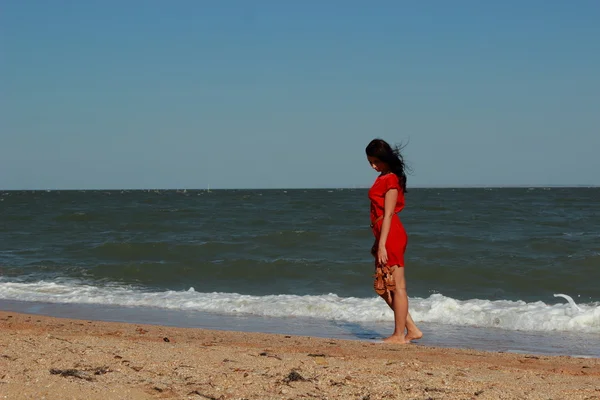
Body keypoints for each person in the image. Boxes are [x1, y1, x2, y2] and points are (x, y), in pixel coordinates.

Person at [366, 138, 422, 344]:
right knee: (382, 286)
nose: (373, 166)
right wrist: (377, 241)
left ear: (385, 159)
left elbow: (388, 214)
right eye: (370, 162)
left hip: (391, 235)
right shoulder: (382, 177)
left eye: (376, 161)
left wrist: (382, 244)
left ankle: (399, 335)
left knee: (397, 286)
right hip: (384, 234)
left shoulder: (390, 179)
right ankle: (412, 329)